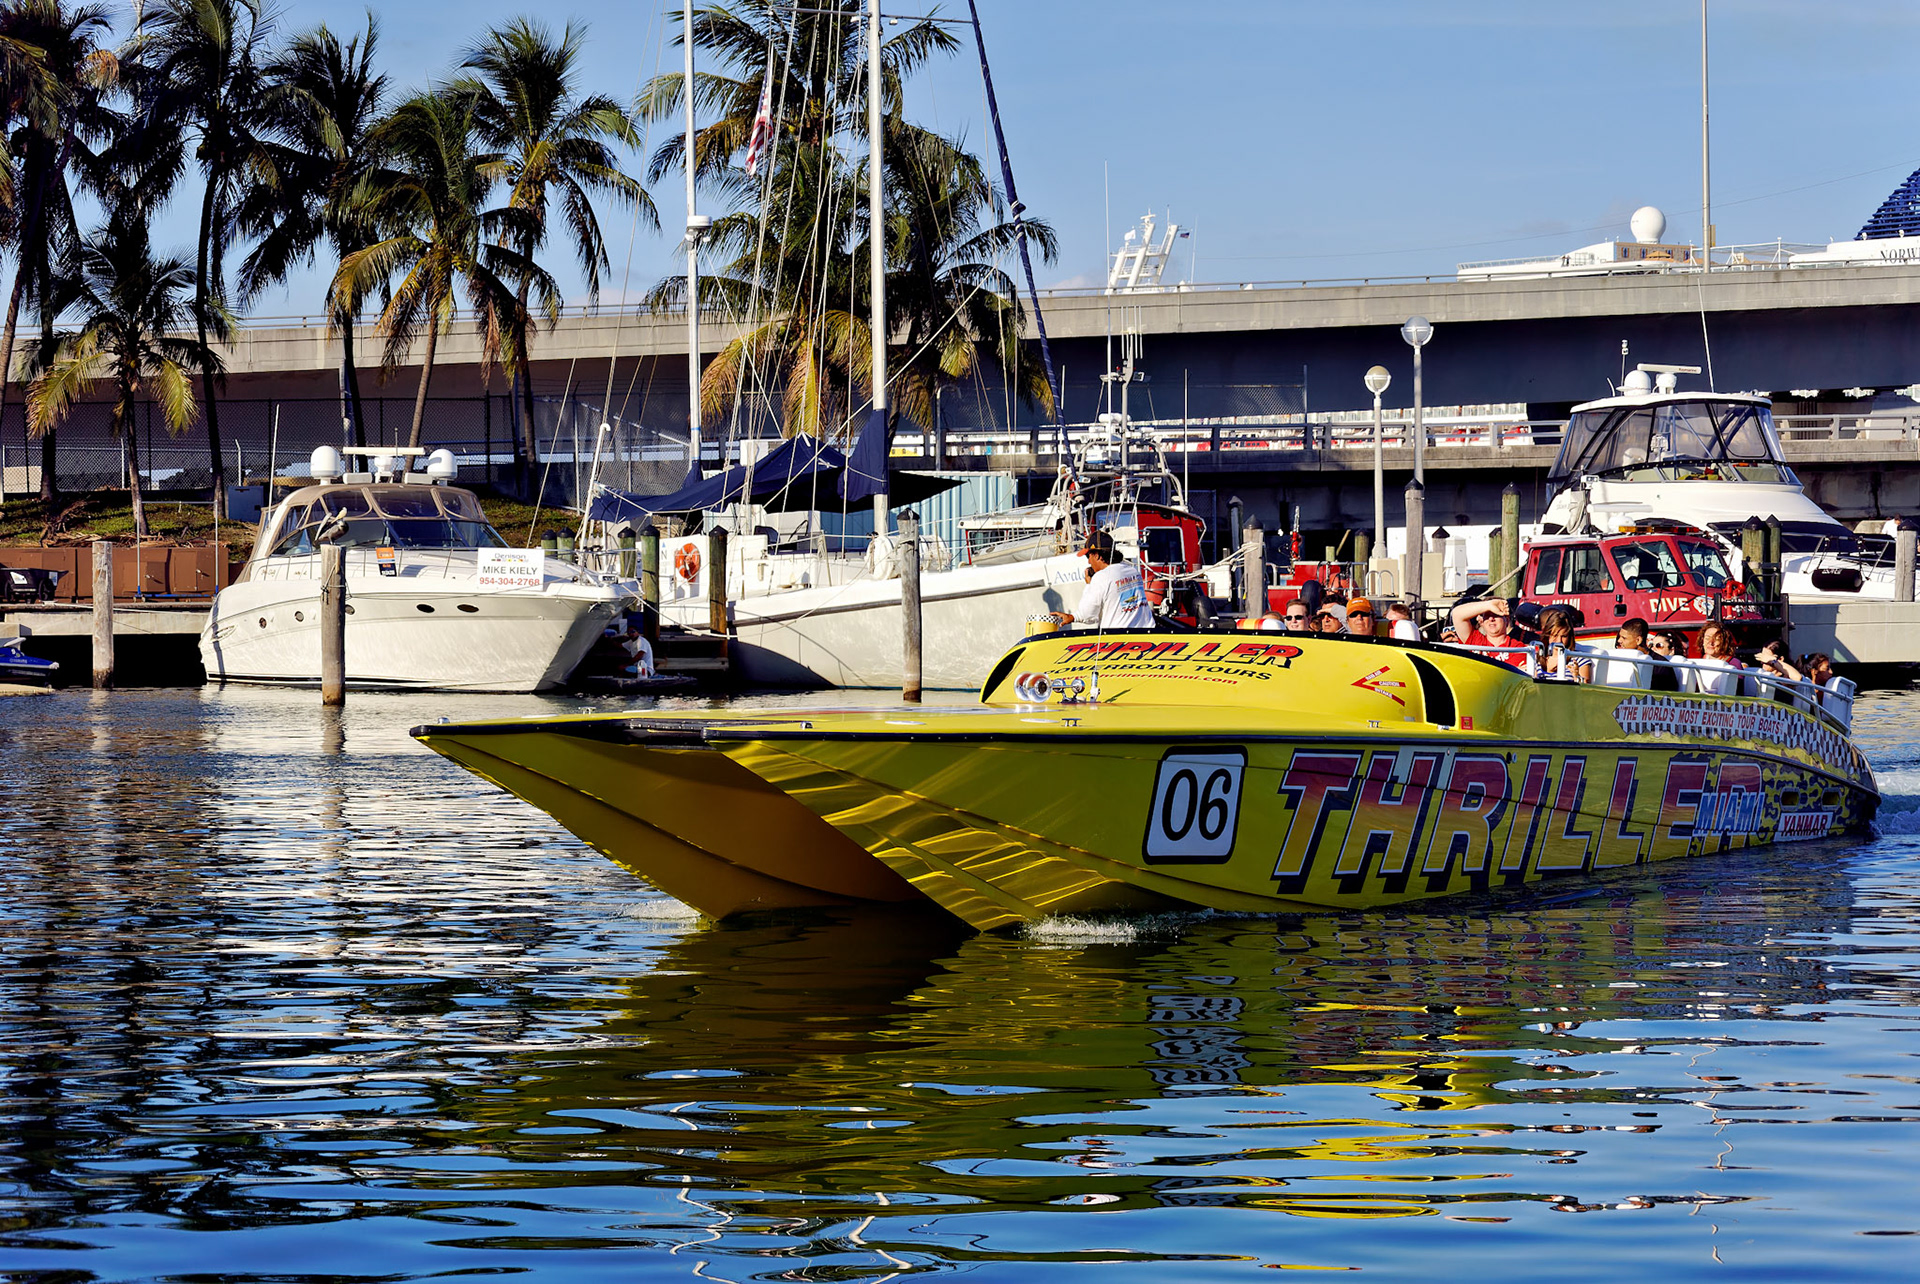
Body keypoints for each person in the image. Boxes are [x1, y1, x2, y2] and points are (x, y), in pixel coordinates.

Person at [1049, 529, 1153, 631]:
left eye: (1088, 556)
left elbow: (1087, 614)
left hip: (1119, 639)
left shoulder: (1101, 577)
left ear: (1097, 555)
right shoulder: (1133, 571)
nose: (1089, 562)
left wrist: (1072, 616)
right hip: (1147, 635)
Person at [1449, 596, 1535, 670]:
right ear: (1481, 622)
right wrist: (1489, 605)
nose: (1491, 619)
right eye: (1487, 616)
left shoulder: (1518, 648)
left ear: (1507, 621)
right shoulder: (1474, 640)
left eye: (1496, 615)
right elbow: (1457, 614)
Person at [1590, 616, 1652, 689]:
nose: (1619, 641)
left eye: (1624, 638)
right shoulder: (1617, 659)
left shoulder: (1659, 666)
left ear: (1638, 640)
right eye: (1619, 637)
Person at [1692, 623, 1753, 696]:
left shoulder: (1734, 663)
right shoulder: (1699, 662)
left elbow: (1736, 693)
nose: (1711, 643)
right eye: (1707, 638)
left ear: (1724, 643)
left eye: (1716, 639)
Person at [1537, 607, 1593, 682]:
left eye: (1564, 636)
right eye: (1555, 635)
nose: (1559, 641)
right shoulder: (1538, 658)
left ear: (1570, 637)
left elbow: (1585, 689)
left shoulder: (1579, 659)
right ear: (1548, 635)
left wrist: (1576, 677)